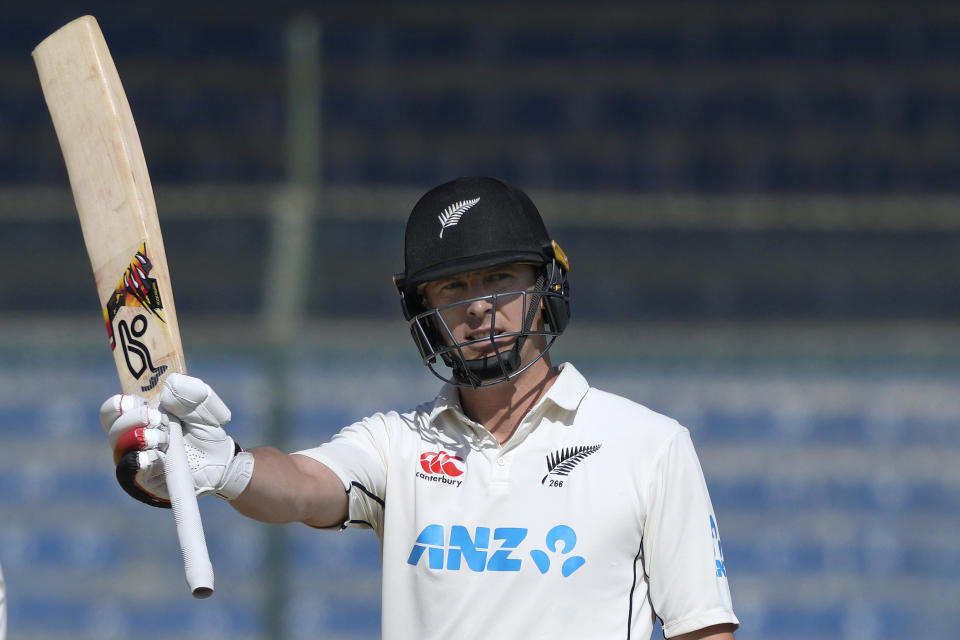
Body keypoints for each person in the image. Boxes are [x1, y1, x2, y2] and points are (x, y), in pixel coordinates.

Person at [101, 176, 739, 639]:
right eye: (454, 286)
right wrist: (226, 467)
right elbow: (299, 485)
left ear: (544, 288)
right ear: (423, 311)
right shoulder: (399, 445)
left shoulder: (648, 444)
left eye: (499, 278)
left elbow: (702, 629)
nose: (478, 305)